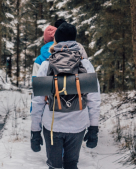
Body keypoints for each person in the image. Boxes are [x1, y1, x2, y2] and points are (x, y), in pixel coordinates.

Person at [30, 23, 101, 169]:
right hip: (78, 125)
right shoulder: (85, 64)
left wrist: (35, 131)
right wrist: (93, 128)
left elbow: (37, 102)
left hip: (52, 125)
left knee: (54, 167)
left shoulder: (46, 65)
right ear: (75, 39)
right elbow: (94, 99)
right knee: (71, 165)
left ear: (56, 39)